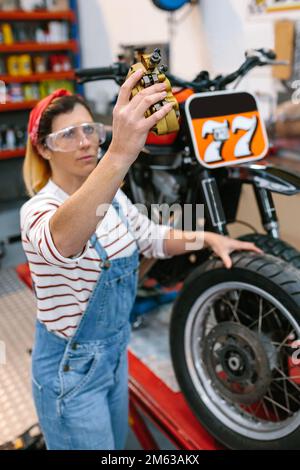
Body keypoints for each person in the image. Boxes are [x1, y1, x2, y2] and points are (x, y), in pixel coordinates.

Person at [20, 70, 262, 450]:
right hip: (70, 373)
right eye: (67, 134)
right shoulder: (39, 209)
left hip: (115, 359)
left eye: (89, 129)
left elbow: (151, 237)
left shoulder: (113, 198)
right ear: (44, 149)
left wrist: (212, 238)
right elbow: (63, 241)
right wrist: (119, 153)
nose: (85, 142)